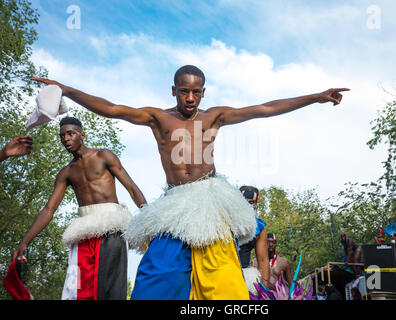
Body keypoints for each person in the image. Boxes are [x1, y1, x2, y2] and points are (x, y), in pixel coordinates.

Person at [32, 65, 349, 300]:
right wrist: (67, 90)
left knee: (222, 278)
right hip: (175, 204)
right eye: (184, 90)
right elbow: (113, 109)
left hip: (210, 201)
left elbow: (264, 109)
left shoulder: (213, 117)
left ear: (204, 92)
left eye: (196, 91)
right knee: (158, 275)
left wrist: (315, 97)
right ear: (174, 90)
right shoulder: (158, 118)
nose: (190, 97)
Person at [12, 117, 147, 300]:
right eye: (62, 136)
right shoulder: (66, 172)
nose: (66, 139)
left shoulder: (103, 156)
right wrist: (25, 241)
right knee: (77, 289)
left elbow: (132, 188)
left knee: (111, 290)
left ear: (82, 135)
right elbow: (48, 210)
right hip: (84, 233)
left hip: (112, 228)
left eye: (70, 134)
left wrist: (149, 221)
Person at [238, 186, 271, 293]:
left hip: (244, 276)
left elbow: (263, 260)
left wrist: (264, 291)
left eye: (251, 202)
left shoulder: (259, 228)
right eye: (243, 201)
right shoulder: (224, 220)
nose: (247, 205)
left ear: (256, 204)